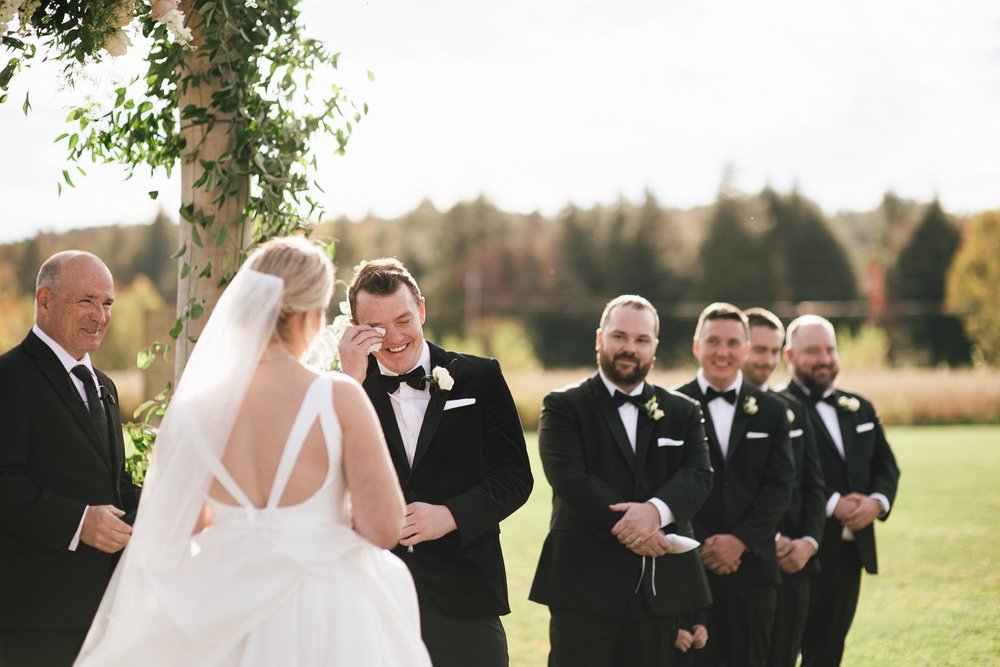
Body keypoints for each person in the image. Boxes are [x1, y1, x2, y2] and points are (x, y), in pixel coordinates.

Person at [73, 237, 431, 666]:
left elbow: (181, 524)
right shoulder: (337, 395)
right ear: (312, 315)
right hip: (324, 610)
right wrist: (320, 520)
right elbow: (383, 526)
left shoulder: (196, 409)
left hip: (222, 607)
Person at [337, 257, 532, 667]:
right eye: (376, 327)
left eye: (403, 320)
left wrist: (450, 515)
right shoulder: (342, 389)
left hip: (467, 596)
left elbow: (516, 477)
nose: (393, 337)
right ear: (354, 328)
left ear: (422, 309)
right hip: (373, 598)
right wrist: (348, 384)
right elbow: (324, 479)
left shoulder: (481, 377)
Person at [529, 295, 713, 667]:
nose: (630, 348)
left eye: (642, 340)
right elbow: (570, 478)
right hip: (582, 588)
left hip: (659, 589)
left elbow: (697, 476)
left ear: (654, 348)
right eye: (620, 336)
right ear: (600, 339)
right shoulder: (563, 405)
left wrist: (655, 513)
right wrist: (637, 528)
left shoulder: (683, 411)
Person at [0, 250, 142, 666]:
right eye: (86, 301)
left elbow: (112, 485)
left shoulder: (105, 386)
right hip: (33, 619)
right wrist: (79, 523)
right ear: (44, 300)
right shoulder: (9, 379)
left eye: (108, 303)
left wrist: (175, 501)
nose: (100, 315)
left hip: (104, 611)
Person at [674, 303, 794, 667]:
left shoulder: (773, 411)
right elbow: (668, 486)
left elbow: (779, 486)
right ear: (697, 346)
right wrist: (705, 544)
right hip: (690, 572)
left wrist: (740, 541)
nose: (722, 352)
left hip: (754, 570)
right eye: (713, 341)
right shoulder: (670, 406)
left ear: (745, 349)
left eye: (732, 343)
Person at [780, 315, 900, 667]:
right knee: (783, 651)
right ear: (790, 356)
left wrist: (876, 503)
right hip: (800, 551)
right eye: (812, 351)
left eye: (830, 350)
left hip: (850, 554)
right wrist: (833, 504)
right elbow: (783, 477)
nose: (824, 359)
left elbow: (886, 466)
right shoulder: (776, 408)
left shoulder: (859, 407)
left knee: (829, 652)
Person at [742, 307, 826, 667]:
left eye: (774, 351)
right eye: (758, 349)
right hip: (743, 562)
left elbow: (813, 484)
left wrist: (808, 543)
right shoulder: (703, 409)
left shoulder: (794, 409)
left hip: (794, 566)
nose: (767, 360)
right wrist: (770, 540)